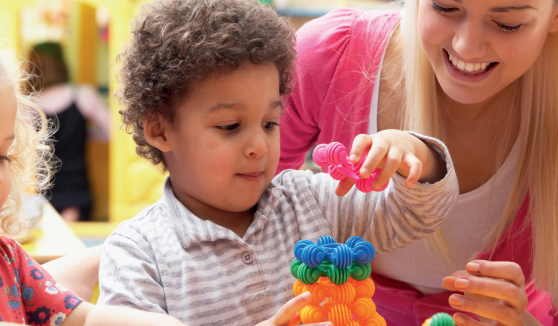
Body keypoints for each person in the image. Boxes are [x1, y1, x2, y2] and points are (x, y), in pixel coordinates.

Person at [96, 0, 460, 325]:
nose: (259, 146)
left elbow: (416, 217)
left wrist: (415, 153)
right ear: (160, 130)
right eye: (230, 126)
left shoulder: (309, 200)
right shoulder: (137, 252)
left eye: (270, 123)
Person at [277, 0, 558, 324]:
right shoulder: (330, 56)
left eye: (508, 23)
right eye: (444, 7)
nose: (466, 46)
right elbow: (237, 209)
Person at [0, 48, 187, 325]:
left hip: (55, 185)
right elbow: (109, 127)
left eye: (3, 156)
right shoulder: (81, 96)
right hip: (75, 180)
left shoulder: (9, 260)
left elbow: (82, 318)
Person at [27, 42, 110, 222]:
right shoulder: (82, 95)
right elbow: (114, 132)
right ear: (62, 63)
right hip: (77, 190)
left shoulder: (29, 105)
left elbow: (21, 146)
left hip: (41, 191)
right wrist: (82, 131)